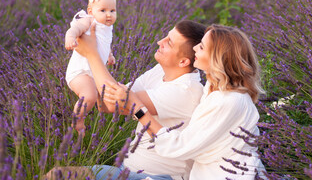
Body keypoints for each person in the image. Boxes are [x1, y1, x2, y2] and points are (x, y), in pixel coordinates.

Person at [47, 20, 207, 180]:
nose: (160, 42)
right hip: (127, 169)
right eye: (166, 37)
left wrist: (92, 54)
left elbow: (112, 103)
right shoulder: (161, 71)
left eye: (169, 43)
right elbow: (105, 103)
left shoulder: (186, 90)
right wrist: (95, 55)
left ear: (183, 62)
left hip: (157, 177)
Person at [104, 24, 267, 179]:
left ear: (217, 59)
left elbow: (179, 146)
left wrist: (137, 107)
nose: (195, 48)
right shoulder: (214, 87)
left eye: (202, 47)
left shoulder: (229, 101)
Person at [64, 0, 117, 134]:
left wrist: (109, 55)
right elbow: (74, 29)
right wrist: (70, 38)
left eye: (112, 11)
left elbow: (104, 42)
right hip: (80, 72)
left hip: (94, 71)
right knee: (89, 96)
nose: (108, 15)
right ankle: (78, 120)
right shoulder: (88, 21)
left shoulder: (108, 27)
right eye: (103, 10)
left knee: (108, 97)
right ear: (91, 11)